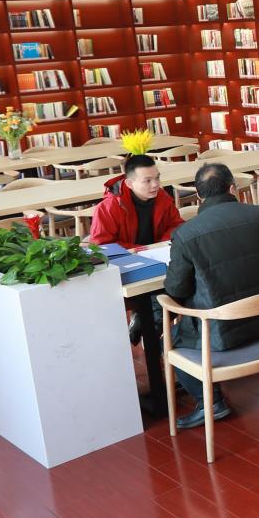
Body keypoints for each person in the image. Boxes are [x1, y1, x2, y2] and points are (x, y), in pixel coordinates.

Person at [162, 162, 259, 429]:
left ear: (198, 195)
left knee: (170, 339)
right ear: (233, 188)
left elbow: (176, 291)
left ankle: (211, 402)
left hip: (222, 332)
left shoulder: (185, 234)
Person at [87, 153, 184, 416]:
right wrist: (139, 249)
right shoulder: (109, 207)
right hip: (127, 266)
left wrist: (160, 244)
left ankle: (145, 321)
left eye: (157, 178)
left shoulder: (163, 198)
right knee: (160, 300)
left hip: (158, 260)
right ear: (129, 183)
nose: (155, 185)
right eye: (147, 181)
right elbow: (101, 246)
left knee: (182, 286)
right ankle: (146, 322)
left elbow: (176, 225)